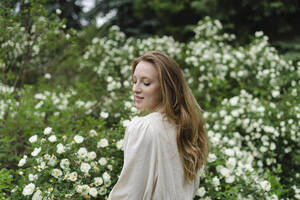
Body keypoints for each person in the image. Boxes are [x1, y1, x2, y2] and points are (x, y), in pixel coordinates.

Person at [108, 51, 209, 200]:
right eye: (134, 81)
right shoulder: (187, 127)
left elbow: (130, 194)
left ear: (165, 87)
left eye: (146, 83)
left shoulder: (143, 128)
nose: (136, 89)